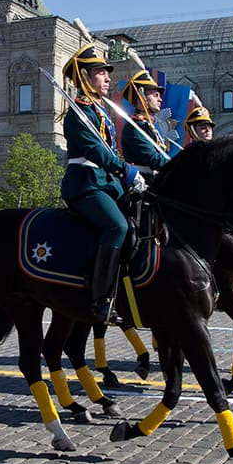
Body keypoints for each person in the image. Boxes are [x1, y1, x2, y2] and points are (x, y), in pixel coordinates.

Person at [60, 43, 146, 323]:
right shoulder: (78, 113)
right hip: (84, 185)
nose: (108, 77)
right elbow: (95, 152)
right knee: (117, 226)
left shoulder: (99, 112)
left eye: (107, 73)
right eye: (100, 73)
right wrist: (126, 170)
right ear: (85, 77)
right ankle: (101, 298)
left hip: (105, 184)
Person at [120, 68, 168, 177]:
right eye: (155, 95)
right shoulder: (134, 128)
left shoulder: (152, 126)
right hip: (142, 182)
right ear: (142, 98)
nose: (160, 99)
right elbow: (152, 159)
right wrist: (178, 165)